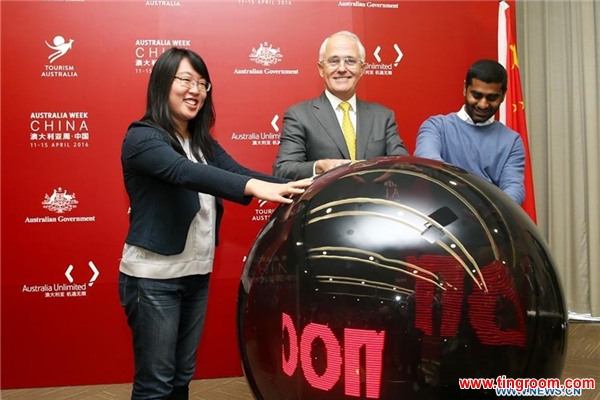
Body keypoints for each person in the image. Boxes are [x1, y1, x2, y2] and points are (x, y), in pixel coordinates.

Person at [119, 47, 311, 400]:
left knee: (181, 378)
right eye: (186, 80)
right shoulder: (142, 138)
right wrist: (254, 187)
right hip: (154, 279)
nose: (195, 90)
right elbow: (186, 173)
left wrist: (304, 185)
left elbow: (237, 173)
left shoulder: (202, 142)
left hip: (195, 274)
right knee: (155, 383)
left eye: (203, 83)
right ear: (162, 84)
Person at [273, 30, 409, 180]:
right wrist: (320, 166)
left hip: (374, 200)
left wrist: (387, 170)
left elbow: (403, 164)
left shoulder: (383, 116)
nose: (342, 68)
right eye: (333, 61)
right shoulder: (299, 115)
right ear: (321, 69)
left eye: (350, 60)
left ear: (362, 69)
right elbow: (283, 169)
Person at [414, 59, 525, 205]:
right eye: (477, 95)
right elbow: (428, 161)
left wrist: (490, 210)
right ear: (465, 88)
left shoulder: (512, 141)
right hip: (440, 217)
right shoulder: (436, 126)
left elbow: (514, 188)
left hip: (489, 219)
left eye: (492, 98)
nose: (483, 104)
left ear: (503, 95)